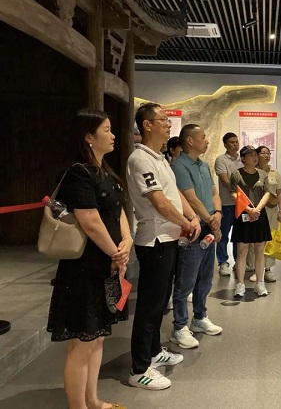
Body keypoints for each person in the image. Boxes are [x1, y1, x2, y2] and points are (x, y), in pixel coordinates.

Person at [47, 109, 130, 409]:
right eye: (106, 130)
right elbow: (90, 221)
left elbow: (119, 211)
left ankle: (93, 400)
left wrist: (127, 242)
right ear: (88, 137)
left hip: (109, 264)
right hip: (84, 268)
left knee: (97, 338)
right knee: (81, 343)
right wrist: (116, 252)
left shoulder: (104, 171)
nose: (113, 135)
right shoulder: (78, 173)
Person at [126, 103, 201, 390]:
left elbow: (175, 194)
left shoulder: (160, 157)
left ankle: (154, 351)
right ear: (147, 125)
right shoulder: (140, 159)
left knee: (160, 302)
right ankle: (139, 369)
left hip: (169, 238)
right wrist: (186, 222)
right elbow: (159, 202)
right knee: (149, 305)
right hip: (154, 240)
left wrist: (192, 217)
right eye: (163, 120)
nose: (169, 124)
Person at [170, 124, 223, 349]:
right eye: (203, 137)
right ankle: (179, 327)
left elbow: (213, 193)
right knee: (186, 280)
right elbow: (191, 199)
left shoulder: (204, 165)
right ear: (190, 141)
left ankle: (199, 317)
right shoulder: (178, 166)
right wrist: (211, 221)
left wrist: (217, 213)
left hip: (209, 225)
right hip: (192, 229)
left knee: (205, 277)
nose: (207, 140)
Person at [230, 146, 272, 297]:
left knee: (259, 250)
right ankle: (240, 284)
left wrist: (257, 209)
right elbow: (234, 194)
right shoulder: (236, 174)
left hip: (259, 214)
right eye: (250, 155)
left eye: (255, 155)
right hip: (243, 214)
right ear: (243, 158)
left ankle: (260, 283)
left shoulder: (262, 174)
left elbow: (267, 193)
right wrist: (248, 209)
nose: (254, 158)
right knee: (242, 251)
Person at [249, 145, 281, 283]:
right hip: (257, 210)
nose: (266, 155)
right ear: (257, 155)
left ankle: (268, 268)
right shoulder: (252, 171)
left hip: (272, 210)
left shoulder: (275, 173)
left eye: (268, 153)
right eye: (263, 153)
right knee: (256, 239)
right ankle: (255, 269)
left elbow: (279, 193)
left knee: (270, 239)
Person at [214, 132, 243, 276]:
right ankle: (223, 262)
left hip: (242, 205)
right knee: (224, 234)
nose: (235, 144)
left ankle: (239, 261)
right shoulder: (221, 160)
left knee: (239, 235)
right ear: (225, 145)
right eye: (232, 142)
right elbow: (226, 181)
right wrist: (242, 191)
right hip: (227, 203)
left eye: (236, 141)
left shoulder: (243, 159)